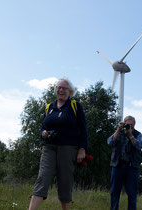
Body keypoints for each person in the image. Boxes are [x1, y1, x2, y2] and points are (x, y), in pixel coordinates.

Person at [29, 78, 88, 210]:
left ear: (70, 91)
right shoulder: (49, 107)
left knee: (65, 181)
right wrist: (42, 133)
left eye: (64, 88)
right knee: (42, 178)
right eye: (59, 87)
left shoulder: (75, 106)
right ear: (56, 90)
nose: (61, 90)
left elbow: (83, 129)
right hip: (48, 148)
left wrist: (82, 149)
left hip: (68, 148)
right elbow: (42, 127)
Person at [107, 115, 142, 210]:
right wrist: (119, 129)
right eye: (127, 125)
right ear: (124, 124)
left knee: (132, 193)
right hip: (117, 165)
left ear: (134, 125)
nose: (129, 127)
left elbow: (139, 146)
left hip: (131, 167)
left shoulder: (138, 134)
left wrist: (131, 135)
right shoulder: (119, 132)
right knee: (114, 192)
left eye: (131, 125)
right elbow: (109, 142)